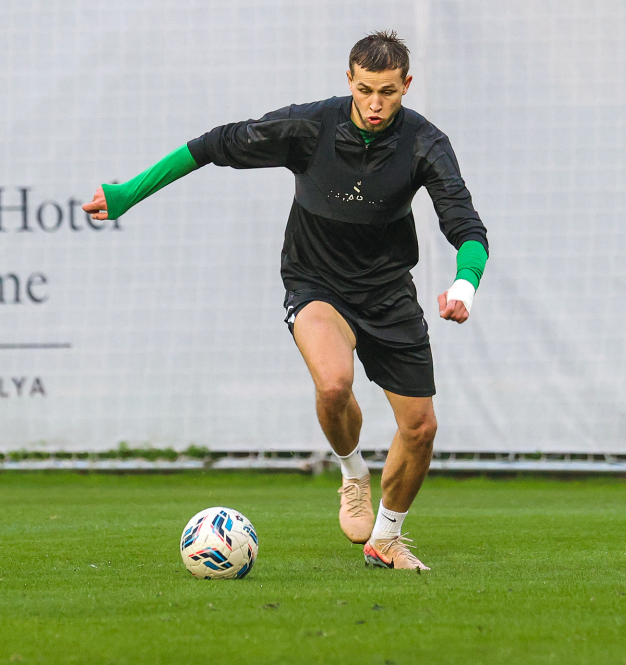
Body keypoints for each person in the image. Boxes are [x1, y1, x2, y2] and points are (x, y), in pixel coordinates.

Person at [83, 31, 488, 571]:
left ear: (406, 85)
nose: (374, 103)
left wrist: (463, 286)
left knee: (420, 428)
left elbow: (466, 225)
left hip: (389, 293)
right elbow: (212, 145)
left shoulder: (424, 143)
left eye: (387, 92)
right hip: (316, 281)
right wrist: (126, 194)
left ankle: (386, 539)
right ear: (349, 80)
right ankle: (352, 474)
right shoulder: (309, 127)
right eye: (365, 89)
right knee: (334, 383)